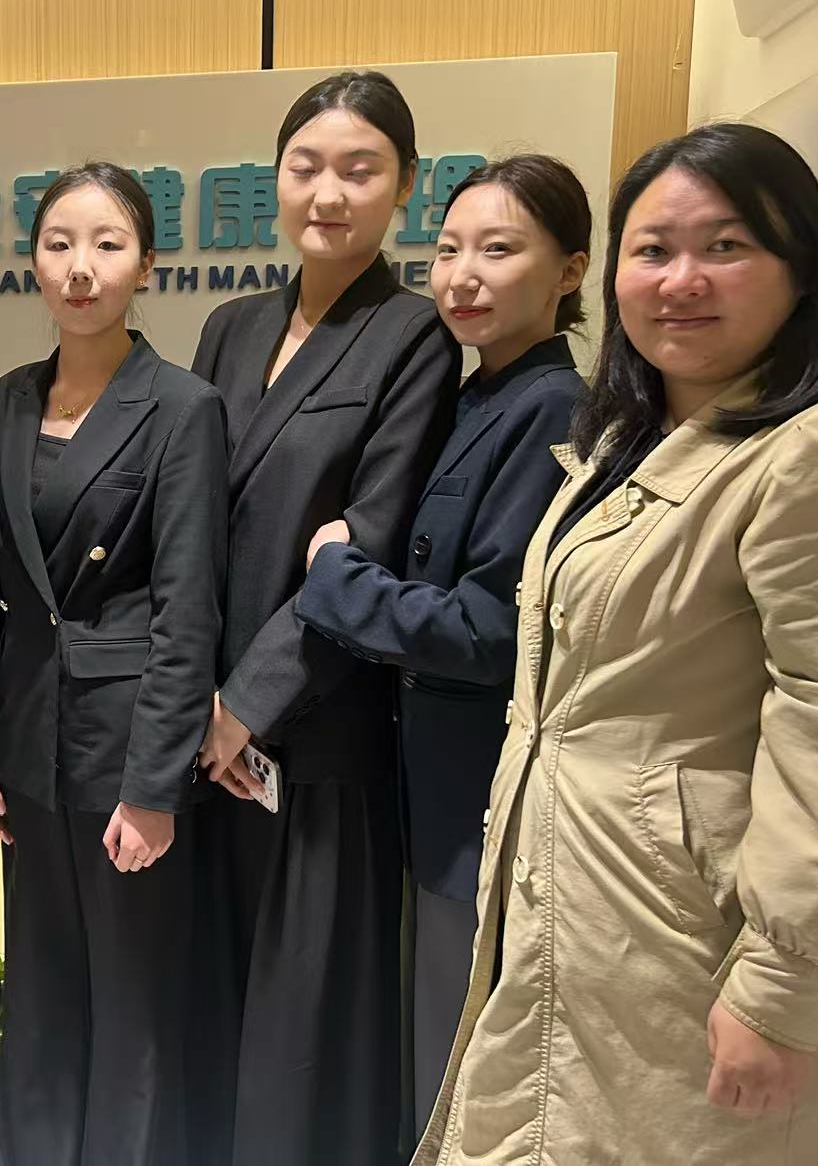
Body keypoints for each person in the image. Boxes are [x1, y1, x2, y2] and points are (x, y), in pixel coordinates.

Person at [416, 123, 818, 1164]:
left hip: (697, 952)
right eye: (654, 249)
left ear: (800, 268)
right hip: (578, 913)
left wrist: (781, 990)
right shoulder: (630, 437)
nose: (681, 281)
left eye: (725, 247)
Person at [187, 70, 460, 1164]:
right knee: (210, 1005)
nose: (329, 193)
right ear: (276, 179)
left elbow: (368, 547)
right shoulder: (230, 325)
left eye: (360, 169)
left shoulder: (416, 336)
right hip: (200, 730)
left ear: (405, 185)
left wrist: (246, 705)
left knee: (304, 1033)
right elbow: (186, 519)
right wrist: (190, 698)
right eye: (306, 167)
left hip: (318, 734)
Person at [289, 154, 589, 1131]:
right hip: (424, 787)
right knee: (425, 1042)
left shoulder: (553, 410)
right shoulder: (472, 396)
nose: (462, 276)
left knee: (464, 1060)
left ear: (570, 270)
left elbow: (485, 629)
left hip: (481, 799)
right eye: (449, 249)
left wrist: (335, 576)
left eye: (498, 250)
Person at [0, 162, 227, 1166]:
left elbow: (187, 610)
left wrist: (155, 787)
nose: (80, 268)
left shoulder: (182, 406)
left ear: (145, 265)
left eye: (108, 245)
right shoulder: (7, 399)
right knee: (41, 990)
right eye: (59, 243)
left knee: (131, 1001)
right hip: (26, 737)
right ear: (33, 259)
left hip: (125, 746)